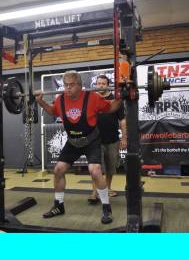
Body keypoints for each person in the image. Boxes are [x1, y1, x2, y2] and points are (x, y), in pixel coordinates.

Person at [36, 70, 122, 224]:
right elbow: (52, 110)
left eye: (72, 85)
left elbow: (111, 108)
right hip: (73, 142)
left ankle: (106, 208)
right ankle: (58, 206)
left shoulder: (92, 97)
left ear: (80, 86)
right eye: (66, 85)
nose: (68, 88)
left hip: (91, 141)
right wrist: (41, 102)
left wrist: (122, 95)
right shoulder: (60, 100)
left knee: (95, 171)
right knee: (58, 169)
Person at [88, 75, 127, 203]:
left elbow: (122, 120)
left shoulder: (115, 100)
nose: (100, 85)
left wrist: (124, 138)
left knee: (110, 168)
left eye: (103, 83)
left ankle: (107, 188)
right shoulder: (92, 99)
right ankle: (94, 191)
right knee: (95, 168)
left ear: (108, 85)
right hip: (95, 140)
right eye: (98, 83)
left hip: (112, 140)